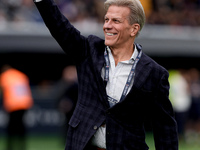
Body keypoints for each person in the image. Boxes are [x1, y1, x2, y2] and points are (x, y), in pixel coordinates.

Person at [33, 0, 178, 149]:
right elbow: (60, 27)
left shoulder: (154, 73)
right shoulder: (89, 50)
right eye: (106, 19)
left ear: (134, 29)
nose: (107, 25)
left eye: (116, 21)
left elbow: (165, 129)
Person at [0, 64, 33, 150]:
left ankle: (10, 146)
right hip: (24, 103)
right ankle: (22, 146)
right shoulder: (21, 75)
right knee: (21, 126)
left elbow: (2, 89)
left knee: (11, 127)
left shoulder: (5, 76)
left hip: (13, 104)